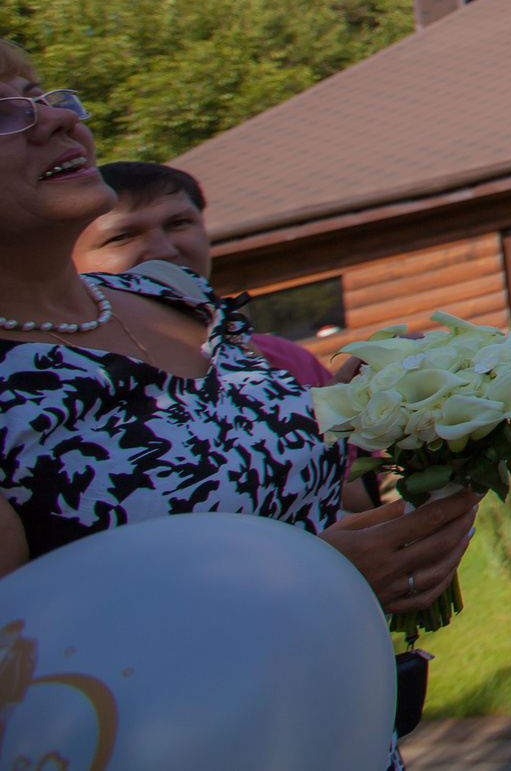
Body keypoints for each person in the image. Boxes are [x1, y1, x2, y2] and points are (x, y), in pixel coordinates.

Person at [0, 41, 479, 694]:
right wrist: (311, 584)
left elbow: (234, 465)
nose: (59, 119)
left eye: (45, 96)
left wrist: (419, 412)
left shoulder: (171, 298)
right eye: (5, 112)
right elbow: (28, 685)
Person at [77, 160, 334, 389]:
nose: (165, 251)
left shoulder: (287, 361)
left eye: (178, 223)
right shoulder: (68, 385)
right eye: (122, 237)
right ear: (63, 260)